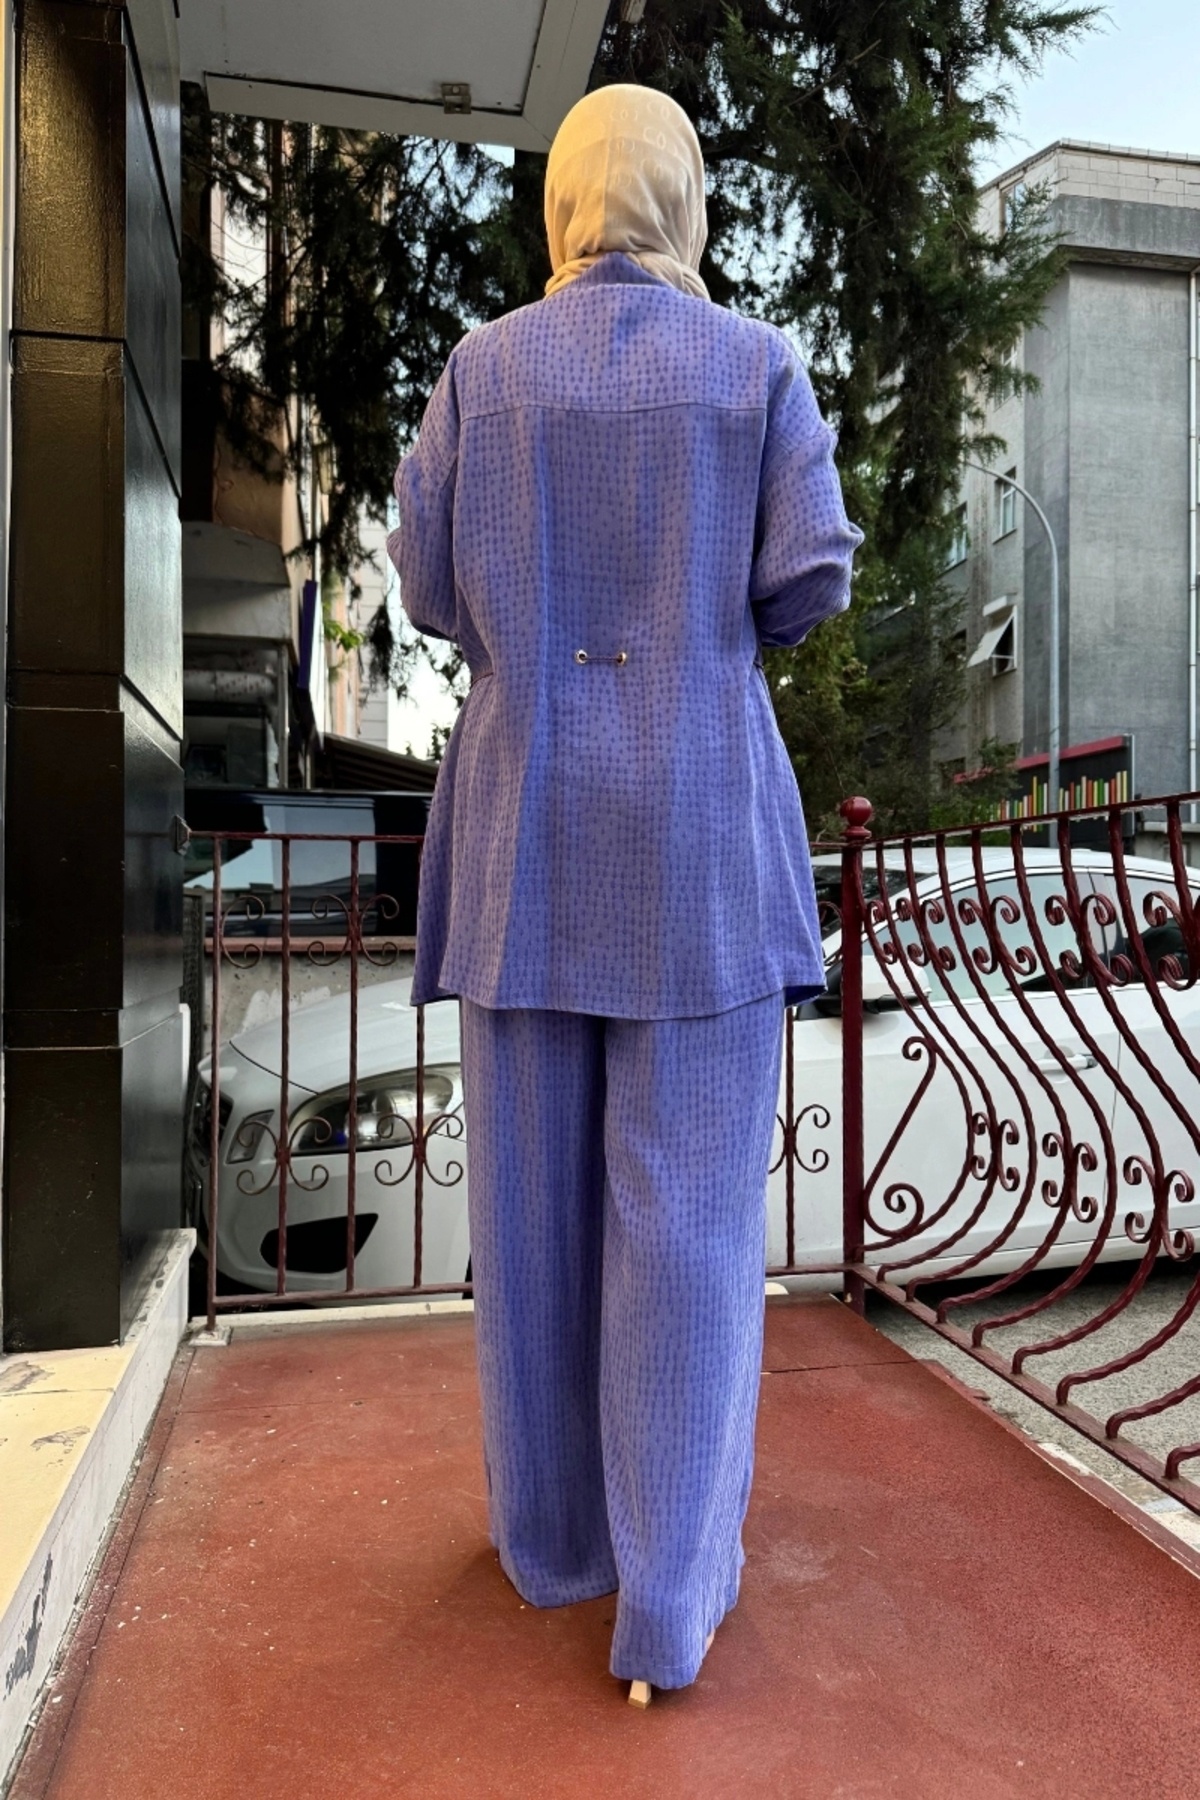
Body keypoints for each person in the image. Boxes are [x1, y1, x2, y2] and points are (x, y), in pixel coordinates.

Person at [388, 83, 862, 1707]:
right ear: (686, 198)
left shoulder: (481, 370)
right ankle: (665, 1605)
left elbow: (429, 583)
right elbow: (808, 575)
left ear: (564, 203)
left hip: (523, 829)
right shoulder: (757, 366)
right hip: (699, 841)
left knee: (528, 1218)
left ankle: (553, 1546)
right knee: (692, 1224)